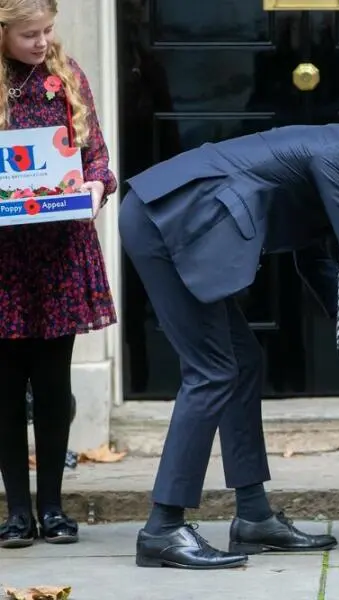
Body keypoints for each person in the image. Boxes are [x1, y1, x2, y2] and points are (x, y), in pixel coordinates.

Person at [119, 117, 339, 570]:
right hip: (167, 222)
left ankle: (253, 516)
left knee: (242, 361)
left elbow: (319, 267)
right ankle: (163, 528)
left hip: (182, 225)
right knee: (213, 370)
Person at [0, 0, 117, 549]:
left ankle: (53, 507)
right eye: (29, 34)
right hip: (4, 261)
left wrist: (94, 188)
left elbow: (97, 158)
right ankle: (16, 513)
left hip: (58, 254)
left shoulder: (66, 77)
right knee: (4, 391)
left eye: (48, 30)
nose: (42, 42)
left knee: (52, 385)